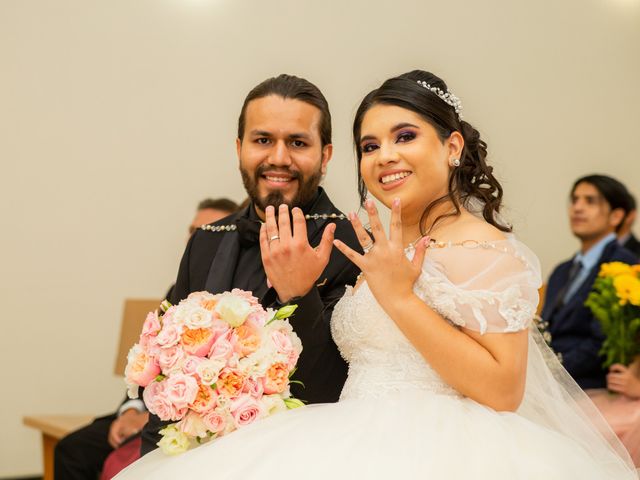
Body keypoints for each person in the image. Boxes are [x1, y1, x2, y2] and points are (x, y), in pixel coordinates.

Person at [116, 71, 636, 478]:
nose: (385, 156)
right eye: (370, 145)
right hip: (342, 434)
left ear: (452, 147)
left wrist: (399, 299)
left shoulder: (485, 247)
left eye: (404, 136)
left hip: (443, 452)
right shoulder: (382, 241)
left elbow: (504, 390)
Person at [139, 74, 362, 455]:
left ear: (325, 155)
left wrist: (300, 294)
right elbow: (171, 367)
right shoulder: (205, 241)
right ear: (240, 148)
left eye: (297, 142)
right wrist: (151, 458)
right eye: (263, 140)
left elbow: (333, 388)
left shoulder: (349, 242)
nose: (278, 158)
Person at [54, 198, 238, 480]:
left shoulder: (237, 301)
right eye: (193, 231)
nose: (197, 239)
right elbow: (153, 358)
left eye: (209, 230)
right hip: (149, 406)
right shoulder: (177, 290)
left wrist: (153, 416)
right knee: (73, 449)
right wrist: (131, 410)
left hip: (197, 418)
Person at [541, 175, 638, 389]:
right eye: (574, 200)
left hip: (589, 384)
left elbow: (600, 344)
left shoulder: (626, 266)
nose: (577, 208)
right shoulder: (561, 270)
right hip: (551, 381)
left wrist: (550, 370)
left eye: (590, 201)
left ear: (616, 216)